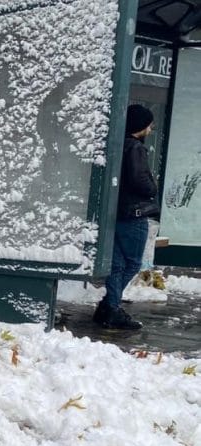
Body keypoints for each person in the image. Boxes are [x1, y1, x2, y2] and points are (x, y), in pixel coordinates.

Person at [94, 104, 158, 330]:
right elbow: (140, 180)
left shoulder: (117, 145)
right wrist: (153, 187)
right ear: (140, 126)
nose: (151, 129)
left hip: (117, 213)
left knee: (118, 265)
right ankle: (111, 308)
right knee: (132, 264)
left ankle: (109, 307)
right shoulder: (136, 148)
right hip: (134, 213)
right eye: (149, 125)